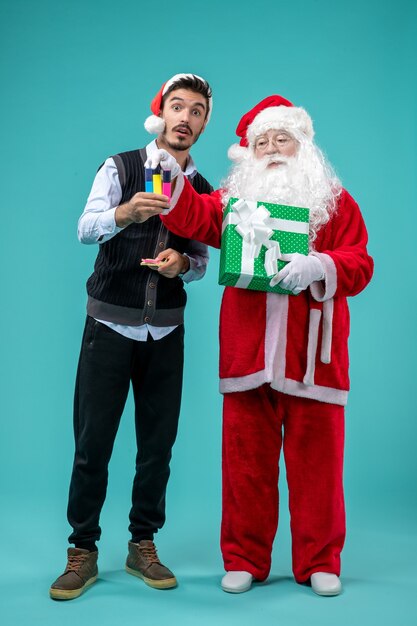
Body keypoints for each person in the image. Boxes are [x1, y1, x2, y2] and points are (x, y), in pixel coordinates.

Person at [150, 95, 373, 596]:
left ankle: (321, 560)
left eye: (281, 139)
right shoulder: (234, 201)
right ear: (248, 152)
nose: (271, 149)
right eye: (261, 142)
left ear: (304, 145)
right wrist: (162, 170)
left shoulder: (334, 201)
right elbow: (188, 216)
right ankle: (246, 558)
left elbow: (361, 262)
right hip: (247, 354)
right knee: (245, 465)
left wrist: (322, 266)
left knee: (318, 466)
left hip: (314, 358)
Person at [49, 74, 213, 600]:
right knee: (92, 443)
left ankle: (142, 542)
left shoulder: (204, 189)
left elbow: (204, 263)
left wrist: (180, 263)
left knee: (157, 447)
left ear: (205, 123)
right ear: (160, 113)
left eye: (197, 111)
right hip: (110, 324)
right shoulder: (120, 167)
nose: (185, 118)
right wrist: (125, 213)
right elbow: (84, 227)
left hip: (166, 330)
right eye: (177, 107)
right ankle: (82, 550)